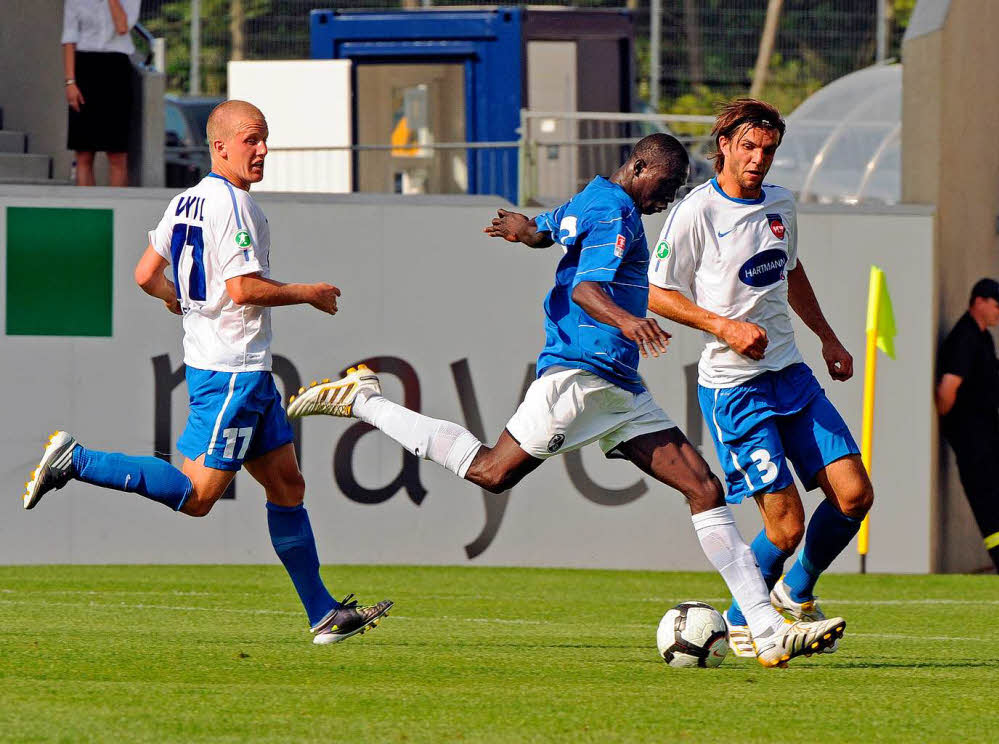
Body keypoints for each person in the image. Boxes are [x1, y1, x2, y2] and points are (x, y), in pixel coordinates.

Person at [286, 133, 846, 668]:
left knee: (703, 488)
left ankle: (767, 633)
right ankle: (365, 402)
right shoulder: (616, 213)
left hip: (619, 387)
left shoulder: (592, 196)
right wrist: (630, 321)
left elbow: (545, 231)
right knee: (490, 471)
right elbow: (584, 287)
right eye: (667, 185)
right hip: (581, 375)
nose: (669, 198)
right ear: (640, 169)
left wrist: (520, 228)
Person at [22, 100, 393, 643]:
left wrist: (182, 300)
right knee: (198, 498)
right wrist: (307, 293)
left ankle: (323, 614)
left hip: (247, 374)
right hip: (232, 375)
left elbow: (146, 274)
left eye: (265, 138)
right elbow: (243, 289)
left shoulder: (185, 202)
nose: (262, 149)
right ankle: (75, 459)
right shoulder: (233, 205)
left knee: (288, 486)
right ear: (219, 146)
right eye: (251, 140)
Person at [646, 99, 874, 658]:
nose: (758, 159)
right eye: (748, 146)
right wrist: (722, 326)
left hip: (791, 375)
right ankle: (741, 620)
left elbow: (790, 271)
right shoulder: (697, 211)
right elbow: (654, 291)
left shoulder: (781, 204)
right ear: (723, 143)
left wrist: (828, 337)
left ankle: (795, 593)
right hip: (734, 388)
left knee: (854, 496)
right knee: (786, 527)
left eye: (767, 150)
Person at [937, 278, 999, 574]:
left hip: (985, 429)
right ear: (979, 302)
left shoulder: (982, 334)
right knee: (986, 493)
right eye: (998, 305)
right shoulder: (966, 336)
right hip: (972, 432)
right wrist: (954, 425)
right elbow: (947, 390)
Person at [61, 0, 139, 186]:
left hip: (116, 69)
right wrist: (70, 82)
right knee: (84, 151)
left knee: (117, 152)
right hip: (85, 68)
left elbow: (122, 27)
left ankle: (120, 210)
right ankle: (85, 210)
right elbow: (69, 38)